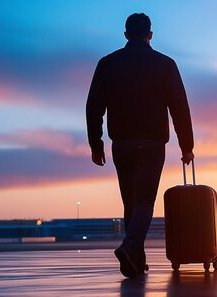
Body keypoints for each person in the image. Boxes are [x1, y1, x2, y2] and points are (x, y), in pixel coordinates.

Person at [86, 13, 194, 278]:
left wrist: (96, 144)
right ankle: (131, 246)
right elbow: (180, 108)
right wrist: (186, 146)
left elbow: (93, 106)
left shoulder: (108, 63)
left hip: (121, 144)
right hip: (152, 143)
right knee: (145, 202)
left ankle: (135, 260)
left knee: (131, 202)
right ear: (150, 35)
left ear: (125, 35)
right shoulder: (165, 64)